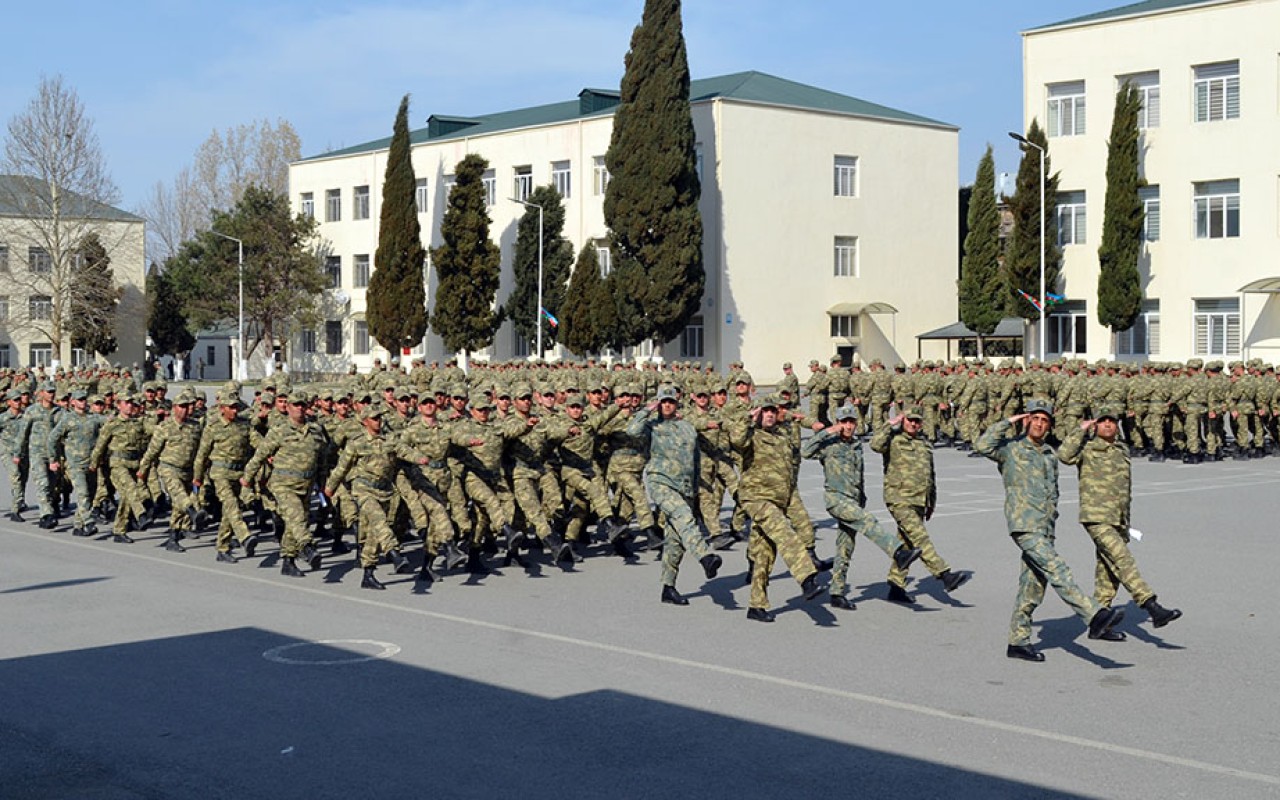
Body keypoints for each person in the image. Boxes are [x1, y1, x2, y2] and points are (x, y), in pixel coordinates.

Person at [974, 399, 1125, 662]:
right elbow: (982, 445)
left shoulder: (1048, 455)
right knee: (1058, 570)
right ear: (1027, 420)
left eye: (1044, 421)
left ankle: (1018, 641)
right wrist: (1008, 422)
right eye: (1035, 418)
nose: (1039, 424)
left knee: (1032, 587)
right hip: (1024, 524)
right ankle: (1093, 614)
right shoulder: (1010, 449)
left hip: (1044, 528)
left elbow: (1052, 493)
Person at [1057, 403, 1182, 633]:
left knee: (1107, 570)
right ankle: (1151, 605)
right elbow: (1063, 455)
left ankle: (1099, 620)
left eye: (1112, 421)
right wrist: (1081, 429)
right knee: (1122, 560)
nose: (1107, 425)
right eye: (1102, 421)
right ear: (1095, 424)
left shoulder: (1122, 450)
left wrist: (1126, 521)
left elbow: (1125, 489)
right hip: (1096, 516)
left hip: (1118, 518)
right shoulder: (1087, 447)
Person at [802, 405, 921, 610]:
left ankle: (837, 592)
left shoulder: (856, 444)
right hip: (836, 499)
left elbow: (859, 474)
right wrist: (826, 432)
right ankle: (898, 552)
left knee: (845, 546)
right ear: (838, 423)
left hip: (853, 499)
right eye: (844, 422)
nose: (848, 426)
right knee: (868, 521)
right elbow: (805, 451)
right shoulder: (830, 443)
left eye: (851, 422)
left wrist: (862, 496)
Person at [727, 395, 825, 621]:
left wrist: (790, 500)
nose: (770, 414)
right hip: (757, 499)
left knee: (765, 553)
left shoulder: (782, 436)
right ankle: (806, 578)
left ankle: (756, 605)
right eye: (765, 410)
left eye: (773, 411)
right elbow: (737, 441)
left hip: (780, 499)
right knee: (785, 534)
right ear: (758, 413)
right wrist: (747, 419)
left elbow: (787, 472)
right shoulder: (751, 435)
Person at [626, 385, 721, 606]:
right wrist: (646, 410)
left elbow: (695, 460)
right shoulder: (651, 425)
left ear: (677, 403)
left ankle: (668, 587)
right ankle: (705, 556)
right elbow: (631, 431)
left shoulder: (687, 427)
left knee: (675, 540)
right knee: (683, 517)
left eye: (671, 401)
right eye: (663, 402)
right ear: (658, 403)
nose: (667, 405)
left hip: (684, 487)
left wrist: (695, 490)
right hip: (661, 483)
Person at [869, 405, 971, 603]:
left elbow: (930, 475)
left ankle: (896, 585)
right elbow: (875, 444)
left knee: (908, 542)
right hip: (899, 498)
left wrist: (931, 501)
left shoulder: (924, 444)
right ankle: (944, 574)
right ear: (903, 421)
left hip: (918, 500)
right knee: (920, 538)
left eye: (917, 421)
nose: (914, 424)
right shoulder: (894, 440)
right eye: (910, 420)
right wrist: (889, 425)